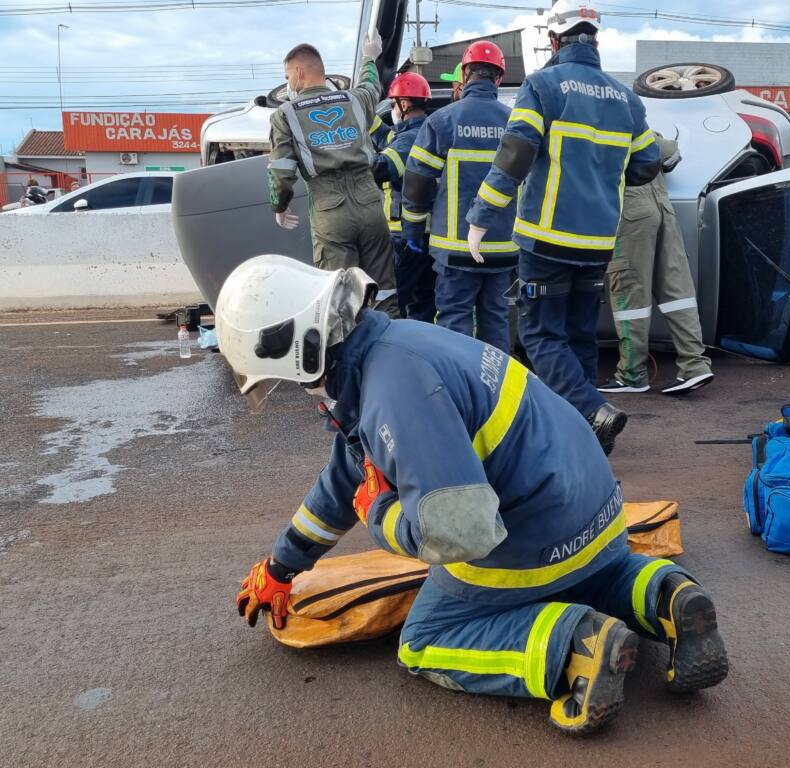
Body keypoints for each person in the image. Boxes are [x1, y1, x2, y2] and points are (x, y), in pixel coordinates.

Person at [221, 254, 729, 736]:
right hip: (598, 516)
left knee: (426, 640)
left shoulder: (393, 393)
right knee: (594, 571)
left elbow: (458, 533)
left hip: (537, 533)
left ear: (299, 350)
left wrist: (378, 511)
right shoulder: (394, 348)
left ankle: (575, 646)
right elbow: (345, 475)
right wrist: (281, 566)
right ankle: (666, 595)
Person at [466, 0, 662, 455]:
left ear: (554, 40)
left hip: (546, 238)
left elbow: (514, 157)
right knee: (578, 336)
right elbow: (649, 163)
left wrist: (480, 217)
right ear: (595, 38)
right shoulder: (626, 99)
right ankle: (586, 437)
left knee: (540, 335)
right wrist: (602, 176)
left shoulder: (542, 86)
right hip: (597, 242)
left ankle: (593, 411)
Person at [267, 32, 399, 316]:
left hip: (330, 211)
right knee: (383, 289)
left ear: (299, 72)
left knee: (338, 297)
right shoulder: (354, 100)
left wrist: (279, 206)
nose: (288, 82)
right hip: (370, 204)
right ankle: (389, 349)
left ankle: (346, 358)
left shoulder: (286, 114)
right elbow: (371, 85)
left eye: (288, 75)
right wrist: (369, 57)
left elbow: (281, 169)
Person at [402, 41, 517, 351]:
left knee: (455, 322)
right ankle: (497, 394)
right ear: (498, 79)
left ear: (465, 75)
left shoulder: (442, 121)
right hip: (503, 248)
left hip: (454, 251)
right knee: (496, 321)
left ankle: (461, 393)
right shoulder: (515, 124)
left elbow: (417, 183)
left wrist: (413, 230)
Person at [599, 135, 713, 397]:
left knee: (630, 294)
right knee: (677, 290)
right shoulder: (636, 122)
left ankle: (632, 374)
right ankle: (694, 364)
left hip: (629, 210)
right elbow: (670, 152)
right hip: (662, 205)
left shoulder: (597, 122)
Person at [372, 71, 434, 322]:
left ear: (404, 104)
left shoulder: (408, 139)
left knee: (394, 301)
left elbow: (382, 167)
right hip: (430, 233)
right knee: (424, 304)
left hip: (404, 233)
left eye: (393, 104)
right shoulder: (428, 131)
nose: (393, 110)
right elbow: (385, 135)